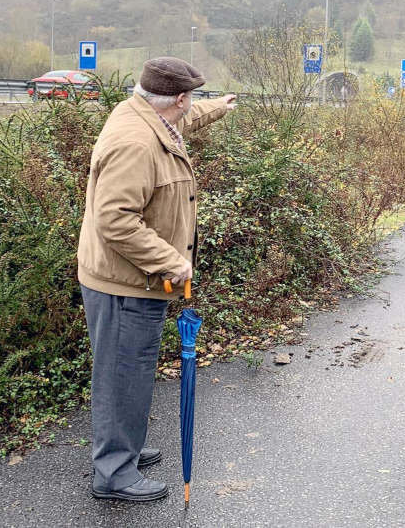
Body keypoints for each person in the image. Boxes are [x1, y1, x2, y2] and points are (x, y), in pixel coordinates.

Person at [77, 57, 236, 501]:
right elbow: (115, 219)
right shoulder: (136, 143)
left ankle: (122, 445)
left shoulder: (146, 114)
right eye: (192, 100)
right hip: (125, 283)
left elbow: (183, 122)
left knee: (127, 370)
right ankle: (113, 472)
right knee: (122, 374)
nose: (192, 107)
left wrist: (219, 107)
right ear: (179, 99)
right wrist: (172, 261)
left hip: (128, 279)